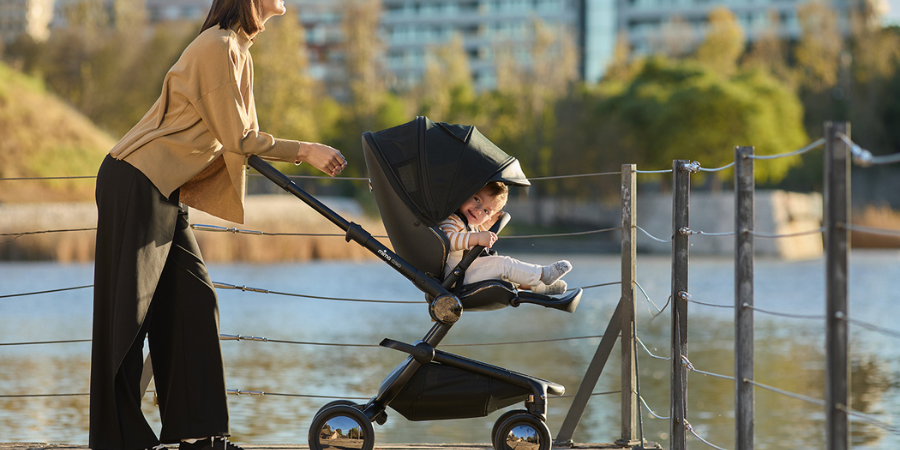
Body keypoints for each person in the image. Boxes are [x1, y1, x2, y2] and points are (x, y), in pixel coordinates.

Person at [89, 1, 347, 450]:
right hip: (137, 178)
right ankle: (118, 439)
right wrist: (304, 149)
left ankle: (199, 436)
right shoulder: (217, 45)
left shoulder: (238, 50)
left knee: (194, 298)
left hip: (164, 185)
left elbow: (240, 133)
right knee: (127, 314)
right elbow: (239, 139)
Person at [438, 182, 572, 295]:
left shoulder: (469, 224)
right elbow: (449, 241)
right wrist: (478, 237)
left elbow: (469, 235)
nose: (478, 210)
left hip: (465, 272)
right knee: (503, 265)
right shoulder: (451, 220)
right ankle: (543, 274)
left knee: (506, 270)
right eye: (477, 199)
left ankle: (537, 286)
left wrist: (485, 228)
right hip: (456, 277)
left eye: (486, 211)